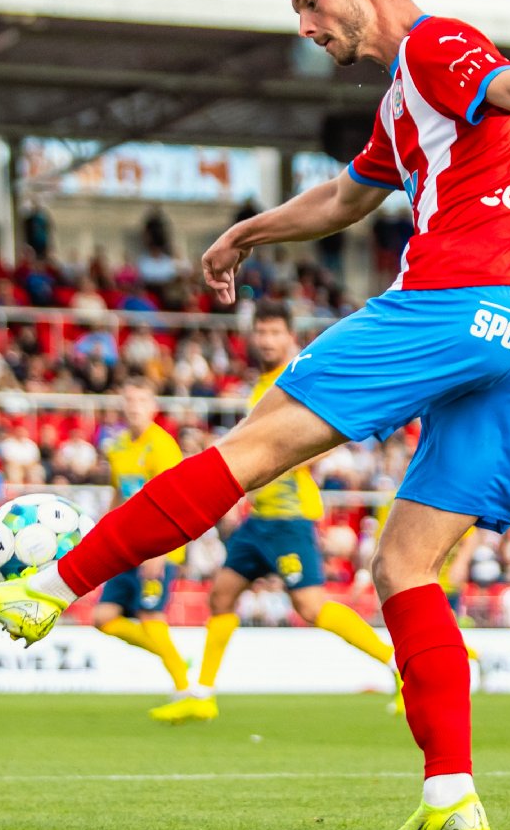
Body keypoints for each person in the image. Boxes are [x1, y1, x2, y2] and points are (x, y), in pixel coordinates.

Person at [0, 0, 510, 830]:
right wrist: (244, 233)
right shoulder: (408, 102)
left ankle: (50, 586)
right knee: (404, 565)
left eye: (311, 2)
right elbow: (346, 198)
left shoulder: (436, 45)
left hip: (461, 299)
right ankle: (452, 793)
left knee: (254, 445)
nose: (307, 26)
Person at [160, 302, 399, 723]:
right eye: (262, 332)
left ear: (290, 336)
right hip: (260, 518)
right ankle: (202, 694)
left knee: (310, 606)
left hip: (291, 518)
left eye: (275, 333)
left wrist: (288, 459)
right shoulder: (262, 385)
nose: (267, 340)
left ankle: (398, 666)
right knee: (221, 596)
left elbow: (328, 435)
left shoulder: (300, 376)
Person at [91, 381, 194, 713]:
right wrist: (103, 532)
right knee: (103, 618)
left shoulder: (162, 446)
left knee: (150, 614)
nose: (134, 406)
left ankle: (184, 687)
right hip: (128, 545)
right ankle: (171, 656)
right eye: (129, 400)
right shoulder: (118, 446)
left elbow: (175, 501)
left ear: (153, 407)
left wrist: (161, 551)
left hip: (158, 547)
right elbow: (119, 494)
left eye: (141, 400)